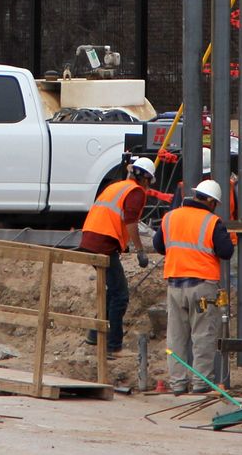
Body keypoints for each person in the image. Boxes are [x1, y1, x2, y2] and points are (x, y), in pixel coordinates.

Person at [154, 177, 234, 394]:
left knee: (177, 337)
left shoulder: (170, 217)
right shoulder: (211, 221)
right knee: (203, 335)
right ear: (211, 202)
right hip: (202, 287)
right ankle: (200, 384)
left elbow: (159, 245)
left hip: (175, 285)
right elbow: (226, 252)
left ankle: (178, 384)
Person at [79, 156, 155, 354]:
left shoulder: (117, 186)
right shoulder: (135, 192)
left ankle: (95, 335)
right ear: (145, 179)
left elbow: (112, 216)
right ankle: (112, 346)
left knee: (112, 291)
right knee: (120, 295)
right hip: (103, 243)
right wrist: (140, 250)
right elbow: (130, 222)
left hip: (91, 239)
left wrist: (122, 244)